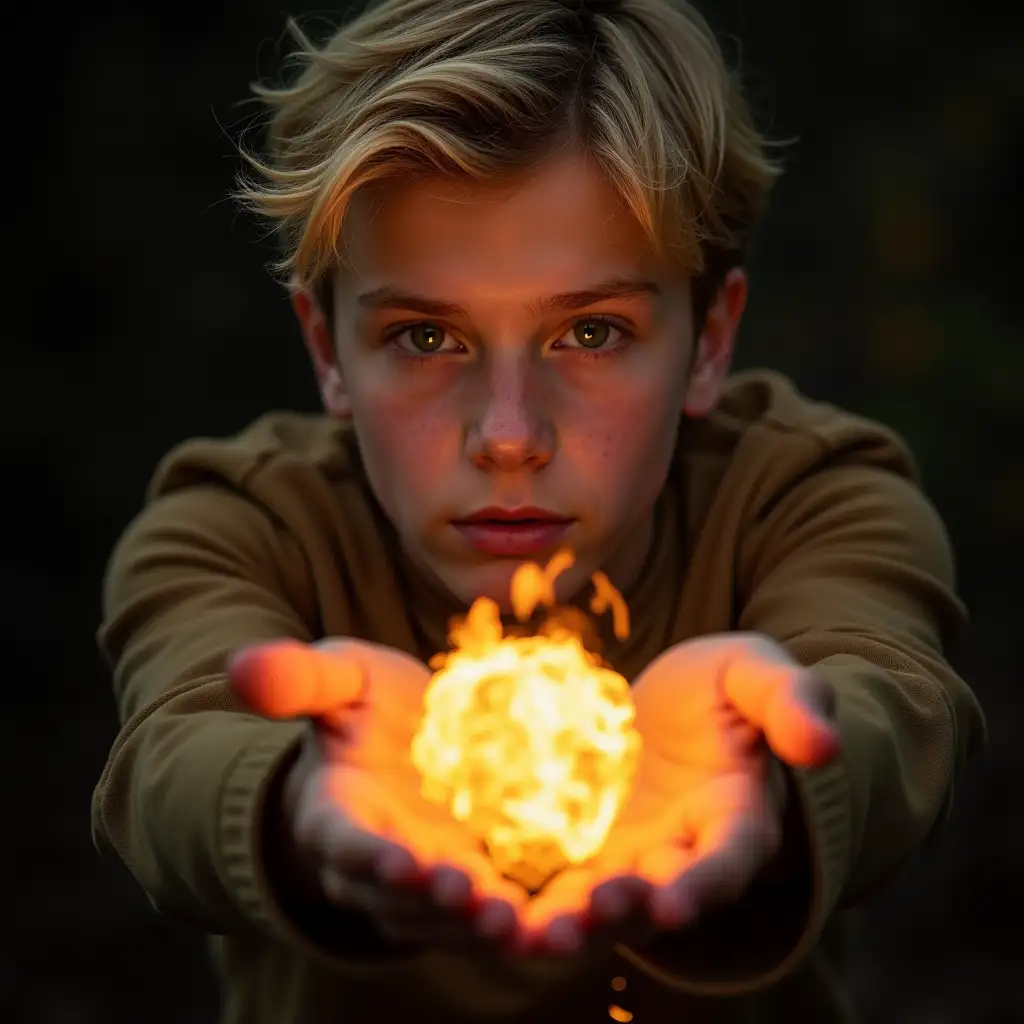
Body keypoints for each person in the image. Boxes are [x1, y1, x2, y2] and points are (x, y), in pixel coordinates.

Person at [90, 0, 986, 1021]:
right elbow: (170, 752)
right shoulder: (235, 523)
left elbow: (892, 698)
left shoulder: (813, 493)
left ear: (707, 340)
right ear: (328, 350)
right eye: (428, 339)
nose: (508, 434)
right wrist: (291, 801)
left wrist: (777, 785)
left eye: (591, 332)